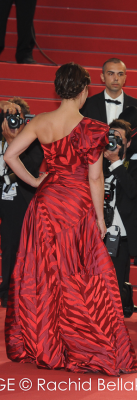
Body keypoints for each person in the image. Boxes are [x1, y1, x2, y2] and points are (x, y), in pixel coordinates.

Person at [3, 62, 137, 375]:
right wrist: (100, 218)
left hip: (45, 205)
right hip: (75, 208)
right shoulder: (94, 128)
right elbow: (95, 179)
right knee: (81, 276)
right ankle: (83, 342)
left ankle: (45, 344)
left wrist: (37, 182)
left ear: (59, 89)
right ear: (83, 91)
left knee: (45, 274)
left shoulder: (40, 121)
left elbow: (10, 155)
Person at [0, 97, 43, 308]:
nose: (12, 122)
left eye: (16, 118)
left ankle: (8, 291)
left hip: (16, 198)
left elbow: (32, 166)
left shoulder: (32, 142)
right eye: (8, 117)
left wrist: (12, 142)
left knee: (11, 245)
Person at [103, 118, 137, 316]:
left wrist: (116, 162)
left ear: (129, 143)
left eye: (119, 138)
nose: (114, 141)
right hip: (96, 230)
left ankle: (123, 299)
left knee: (115, 284)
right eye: (111, 136)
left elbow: (132, 191)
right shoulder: (96, 162)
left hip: (120, 235)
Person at [80, 58, 137, 124]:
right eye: (111, 74)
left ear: (125, 78)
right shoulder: (87, 105)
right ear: (102, 77)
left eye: (120, 74)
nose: (116, 78)